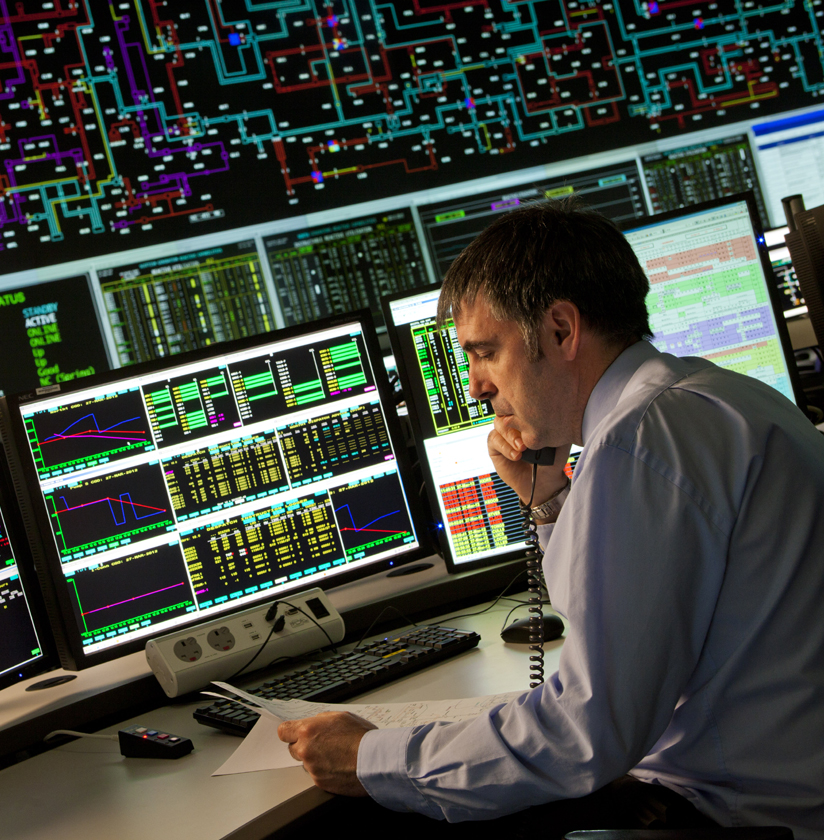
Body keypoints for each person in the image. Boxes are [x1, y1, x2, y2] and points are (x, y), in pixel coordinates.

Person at [277, 201, 824, 839]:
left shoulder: (640, 440)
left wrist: (369, 758)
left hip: (741, 816)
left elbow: (583, 735)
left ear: (562, 329)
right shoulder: (711, 397)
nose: (476, 384)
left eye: (486, 351)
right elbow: (621, 623)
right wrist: (548, 501)